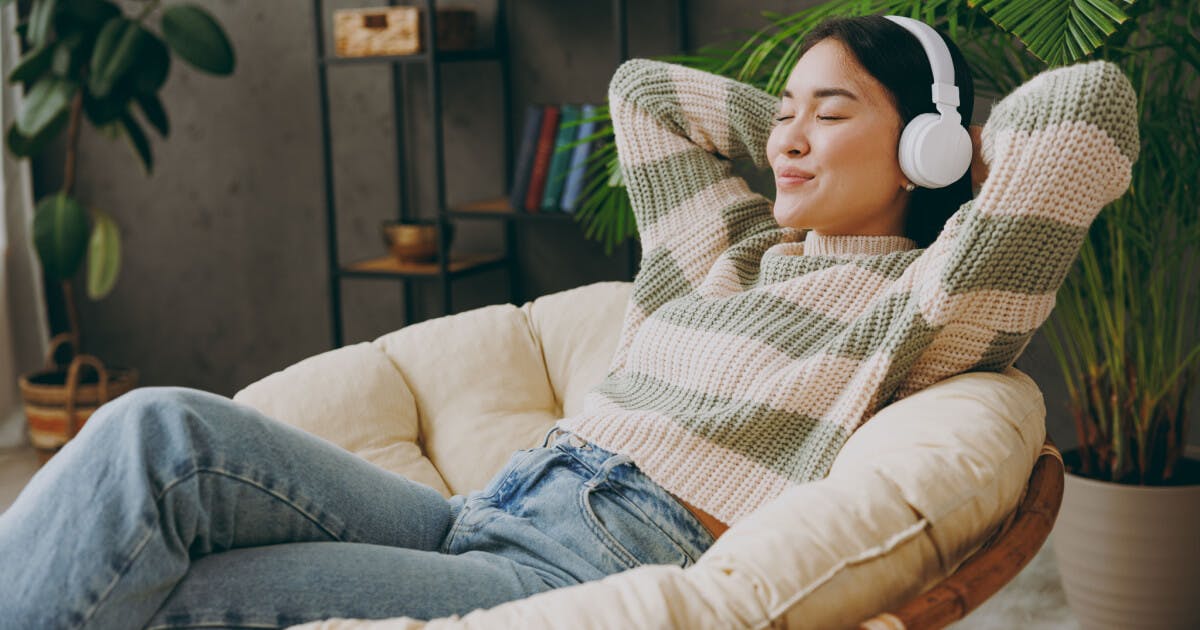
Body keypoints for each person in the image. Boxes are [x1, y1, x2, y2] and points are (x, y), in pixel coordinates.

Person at [0, 14, 1138, 629]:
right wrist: (807, 124)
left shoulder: (922, 303)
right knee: (158, 436)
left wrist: (956, 140)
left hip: (583, 564)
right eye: (779, 112)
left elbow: (1089, 111)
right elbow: (644, 91)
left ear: (922, 146)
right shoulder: (724, 257)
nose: (787, 135)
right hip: (485, 504)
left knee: (173, 600)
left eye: (830, 112)